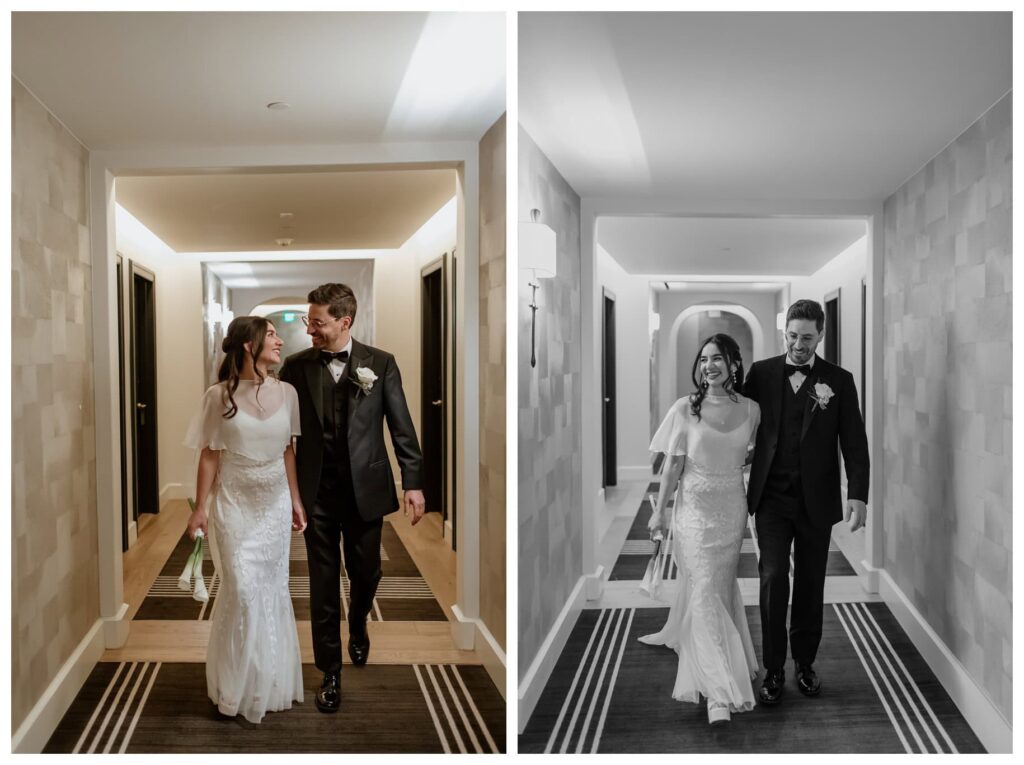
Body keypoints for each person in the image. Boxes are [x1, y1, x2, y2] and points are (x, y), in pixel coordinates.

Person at [279, 282, 425, 714]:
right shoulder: (295, 367)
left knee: (367, 572)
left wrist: (412, 480)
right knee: (322, 584)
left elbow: (401, 425)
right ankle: (330, 671)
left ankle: (359, 621)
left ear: (345, 322)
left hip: (367, 490)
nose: (311, 330)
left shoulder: (380, 363)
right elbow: (281, 432)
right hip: (316, 494)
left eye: (318, 322)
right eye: (309, 321)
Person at [744, 299, 869, 705]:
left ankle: (805, 663)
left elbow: (854, 441)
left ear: (822, 334)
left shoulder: (839, 380)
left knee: (811, 583)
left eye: (808, 337)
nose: (799, 344)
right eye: (793, 336)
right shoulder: (761, 374)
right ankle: (774, 668)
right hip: (772, 500)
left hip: (817, 501)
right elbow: (737, 418)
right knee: (774, 577)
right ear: (785, 332)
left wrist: (858, 495)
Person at [184, 316, 307, 724]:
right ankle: (234, 683)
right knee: (240, 588)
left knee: (271, 590)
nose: (280, 340)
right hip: (234, 503)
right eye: (271, 334)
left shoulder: (287, 393)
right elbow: (209, 454)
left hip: (273, 504)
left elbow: (289, 451)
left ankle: (267, 682)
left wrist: (295, 499)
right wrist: (199, 507)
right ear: (249, 346)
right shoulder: (217, 396)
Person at [639, 333, 760, 724]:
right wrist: (659, 512)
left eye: (718, 359)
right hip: (693, 510)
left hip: (731, 509)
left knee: (718, 587)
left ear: (734, 364)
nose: (710, 366)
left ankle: (710, 646)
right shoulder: (684, 409)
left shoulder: (753, 410)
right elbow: (672, 466)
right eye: (705, 359)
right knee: (706, 585)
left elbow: (757, 457)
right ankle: (717, 691)